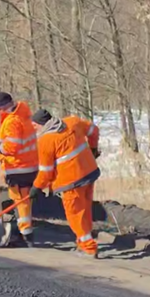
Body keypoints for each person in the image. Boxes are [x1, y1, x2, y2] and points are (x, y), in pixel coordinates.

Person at [30, 108, 101, 257]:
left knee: (75, 213)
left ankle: (89, 248)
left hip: (71, 181)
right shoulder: (73, 122)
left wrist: (36, 187)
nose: (33, 128)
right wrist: (93, 149)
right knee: (84, 209)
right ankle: (82, 243)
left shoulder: (45, 141)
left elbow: (46, 172)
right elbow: (94, 130)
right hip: (89, 173)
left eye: (35, 125)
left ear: (42, 124)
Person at [0, 92, 39, 247]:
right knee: (25, 202)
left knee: (21, 202)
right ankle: (23, 231)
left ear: (5, 105)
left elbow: (11, 146)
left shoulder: (13, 121)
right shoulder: (25, 114)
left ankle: (26, 235)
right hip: (30, 165)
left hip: (18, 168)